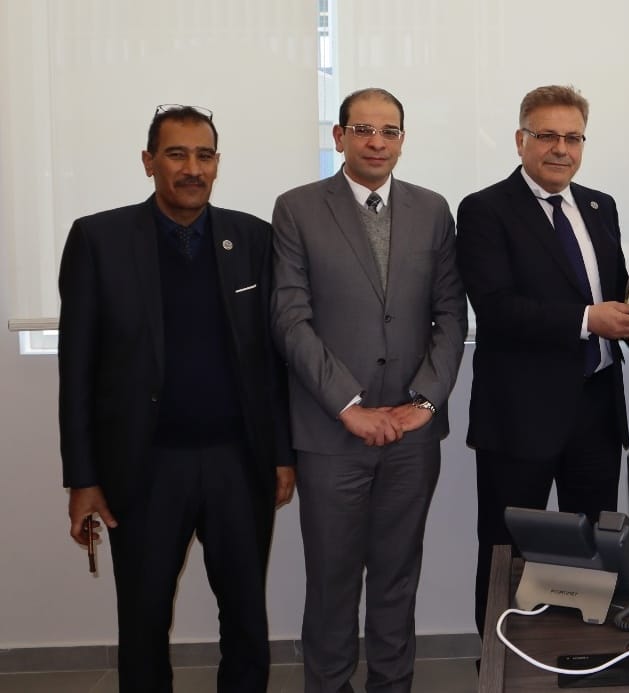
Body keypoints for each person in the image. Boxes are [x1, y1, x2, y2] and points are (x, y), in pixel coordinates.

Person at [58, 104, 295, 692]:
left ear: (217, 163)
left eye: (204, 155)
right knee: (143, 621)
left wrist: (281, 454)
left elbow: (270, 361)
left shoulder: (253, 237)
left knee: (246, 618)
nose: (193, 168)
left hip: (238, 463)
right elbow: (77, 370)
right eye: (177, 154)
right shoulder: (99, 239)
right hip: (144, 468)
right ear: (149, 162)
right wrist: (83, 478)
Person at [271, 88, 467, 692]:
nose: (376, 142)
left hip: (412, 434)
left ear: (403, 140)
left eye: (389, 131)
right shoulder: (297, 208)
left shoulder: (432, 209)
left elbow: (450, 315)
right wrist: (348, 406)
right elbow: (290, 319)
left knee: (396, 579)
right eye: (363, 130)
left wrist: (425, 403)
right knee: (332, 581)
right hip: (332, 433)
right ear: (339, 137)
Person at [456, 85, 629, 634]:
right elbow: (496, 308)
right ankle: (499, 657)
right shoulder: (485, 209)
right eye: (547, 136)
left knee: (588, 552)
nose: (561, 149)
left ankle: (577, 656)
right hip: (520, 414)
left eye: (573, 137)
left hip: (596, 409)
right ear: (521, 140)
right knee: (507, 552)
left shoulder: (599, 205)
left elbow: (610, 291)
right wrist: (592, 320)